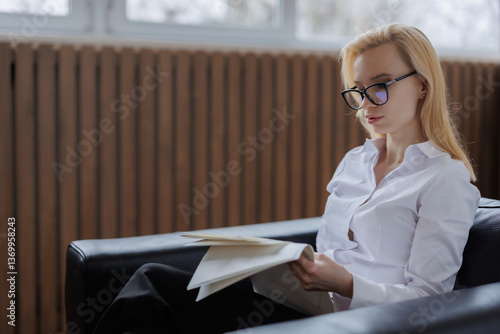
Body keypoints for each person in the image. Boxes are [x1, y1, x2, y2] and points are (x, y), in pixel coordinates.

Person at [92, 23, 480, 333]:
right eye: (358, 91)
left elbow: (430, 299)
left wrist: (345, 283)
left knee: (154, 292)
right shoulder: (355, 162)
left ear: (422, 85)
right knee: (152, 284)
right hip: (310, 311)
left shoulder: (444, 179)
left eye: (379, 86)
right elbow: (330, 251)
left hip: (360, 323)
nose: (365, 104)